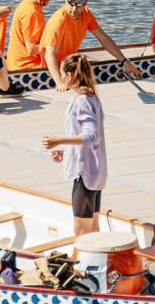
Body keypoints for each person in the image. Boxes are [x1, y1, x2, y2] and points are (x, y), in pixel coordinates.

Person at [42, 56, 108, 233]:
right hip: (93, 170)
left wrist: (59, 140)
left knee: (82, 233)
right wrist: (67, 151)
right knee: (93, 230)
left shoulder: (82, 100)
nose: (60, 77)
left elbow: (91, 135)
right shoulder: (88, 97)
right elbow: (85, 136)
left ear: (70, 76)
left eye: (61, 73)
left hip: (84, 174)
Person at [43, 0, 134, 85]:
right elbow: (49, 55)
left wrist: (125, 62)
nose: (74, 8)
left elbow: (104, 39)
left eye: (79, 4)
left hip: (68, 61)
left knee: (90, 61)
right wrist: (59, 82)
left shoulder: (86, 15)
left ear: (86, 3)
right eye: (71, 3)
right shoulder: (58, 21)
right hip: (52, 67)